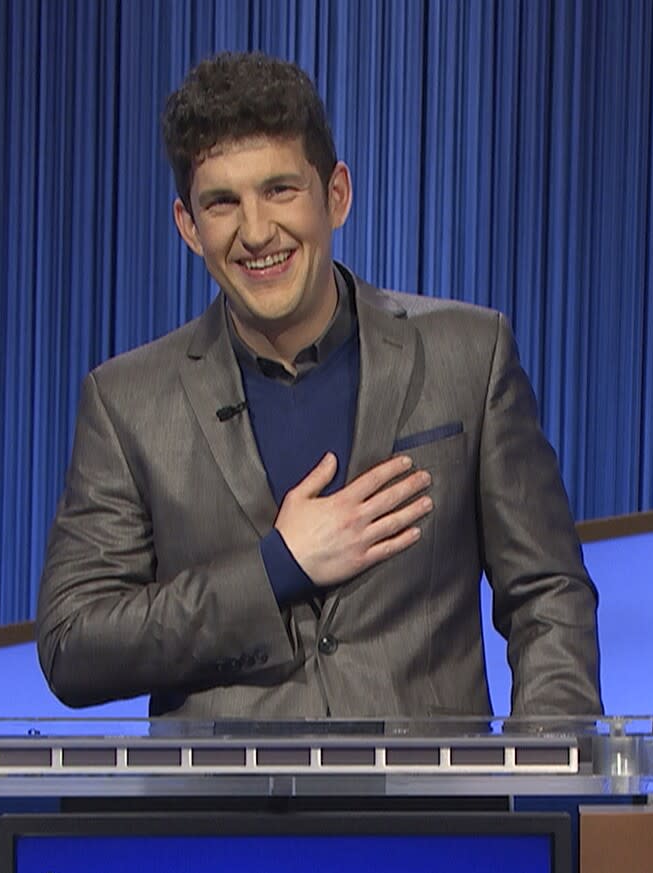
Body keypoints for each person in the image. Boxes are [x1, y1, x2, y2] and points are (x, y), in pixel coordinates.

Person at [37, 52, 602, 719]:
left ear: (336, 194)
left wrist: (540, 768)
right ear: (188, 226)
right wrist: (276, 567)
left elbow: (547, 591)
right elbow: (75, 642)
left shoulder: (468, 355)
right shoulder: (126, 401)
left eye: (279, 190)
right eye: (222, 203)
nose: (256, 232)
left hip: (430, 815)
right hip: (224, 818)